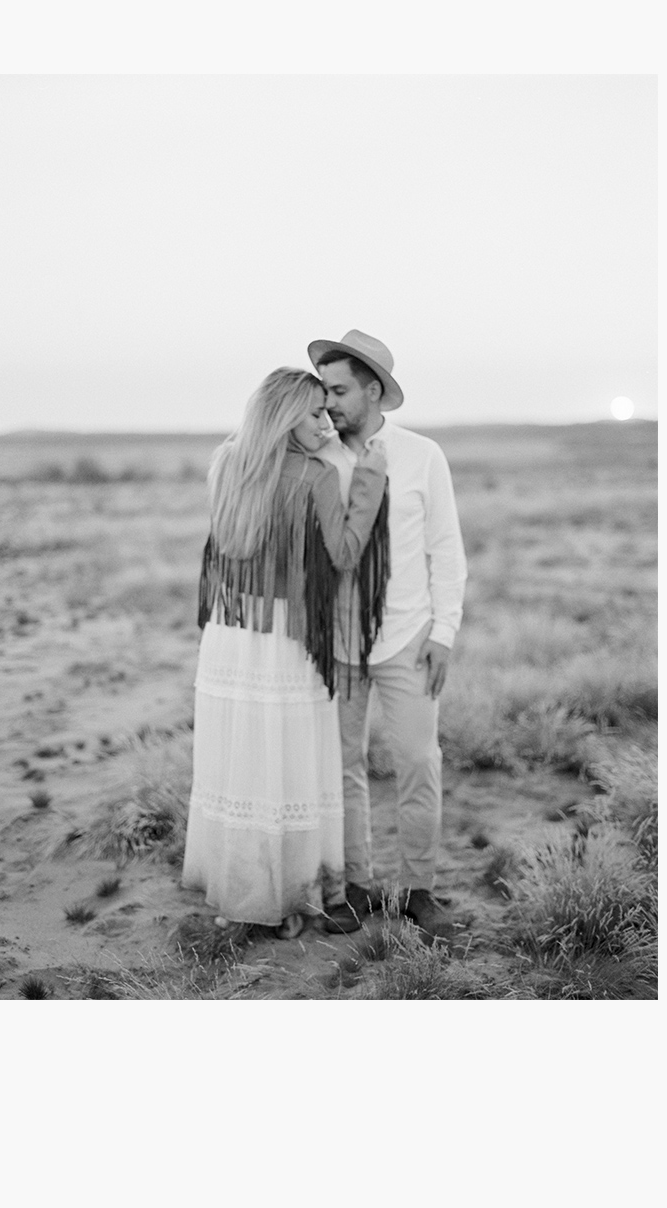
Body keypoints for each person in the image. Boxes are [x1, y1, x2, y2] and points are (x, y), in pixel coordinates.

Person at [181, 366, 389, 939]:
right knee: (289, 767)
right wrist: (368, 483)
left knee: (243, 763)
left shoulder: (228, 463)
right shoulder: (317, 474)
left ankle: (243, 892)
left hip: (230, 631)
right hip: (285, 636)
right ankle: (290, 898)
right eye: (314, 413)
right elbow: (344, 555)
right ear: (285, 417)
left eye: (326, 411)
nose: (326, 424)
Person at [308, 330, 468, 938]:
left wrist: (444, 631)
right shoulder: (318, 457)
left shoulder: (422, 455)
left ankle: (419, 890)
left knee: (419, 763)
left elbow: (445, 549)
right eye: (324, 390)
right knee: (342, 767)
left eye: (339, 390)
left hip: (408, 637)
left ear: (373, 390)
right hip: (338, 643)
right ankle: (355, 887)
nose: (328, 402)